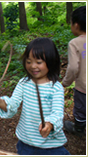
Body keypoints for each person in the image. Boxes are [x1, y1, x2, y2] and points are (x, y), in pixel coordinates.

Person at [0, 38, 70, 155]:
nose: (33, 66)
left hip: (51, 146)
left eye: (38, 62)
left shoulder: (55, 88)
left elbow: (57, 113)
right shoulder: (24, 83)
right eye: (29, 62)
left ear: (51, 61)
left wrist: (49, 124)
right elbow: (13, 105)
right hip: (26, 143)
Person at [62, 6, 86, 137]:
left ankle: (79, 129)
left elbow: (73, 67)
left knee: (81, 109)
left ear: (76, 25)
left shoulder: (75, 43)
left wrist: (65, 83)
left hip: (84, 87)